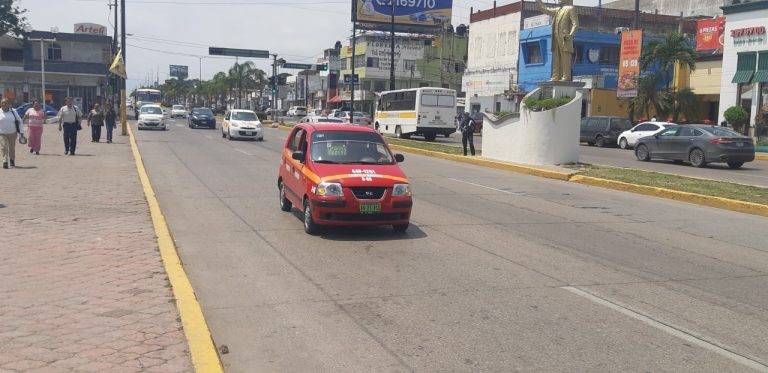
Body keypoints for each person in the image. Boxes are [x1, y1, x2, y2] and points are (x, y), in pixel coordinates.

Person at [0, 98, 25, 169]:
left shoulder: (13, 111)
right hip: (2, 133)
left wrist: (21, 133)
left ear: (9, 104)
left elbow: (19, 121)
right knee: (3, 147)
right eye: (2, 103)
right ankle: (5, 161)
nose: (3, 104)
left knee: (12, 147)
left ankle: (12, 160)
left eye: (5, 103)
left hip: (12, 133)